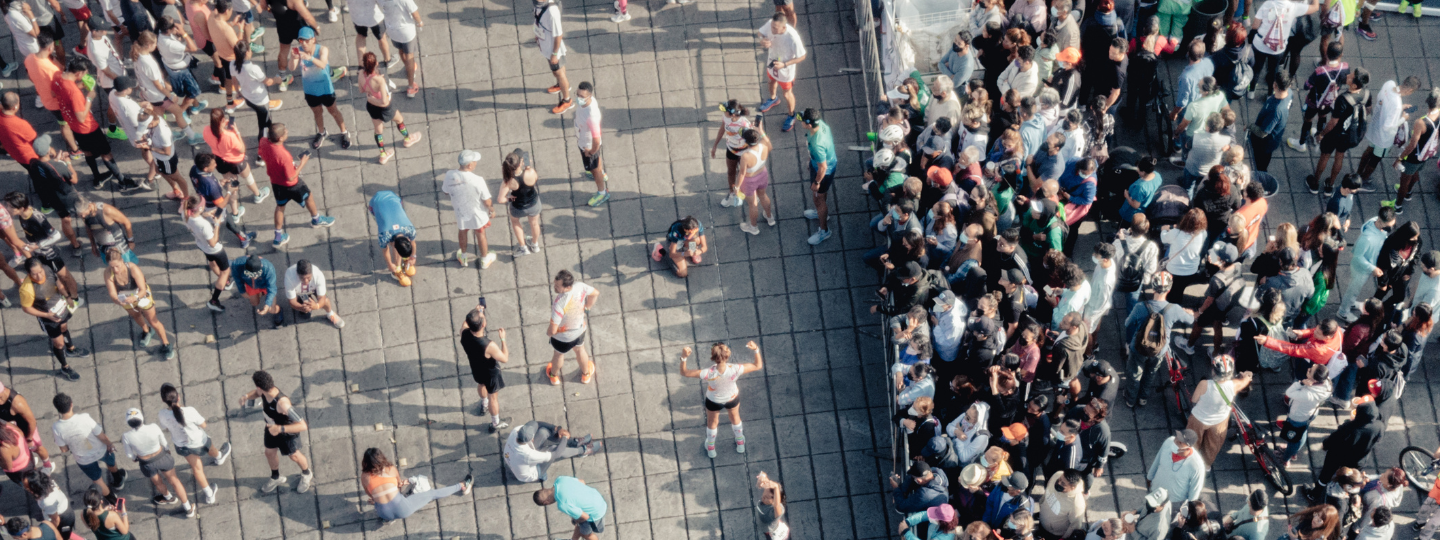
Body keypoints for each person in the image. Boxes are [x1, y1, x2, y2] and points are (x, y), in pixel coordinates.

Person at [256, 123, 336, 247]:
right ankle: (316, 220)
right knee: (309, 196)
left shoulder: (263, 141)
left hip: (275, 182)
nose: (287, 131)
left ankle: (278, 237)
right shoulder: (284, 156)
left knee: (280, 207)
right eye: (285, 131)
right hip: (292, 185)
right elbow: (291, 176)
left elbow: (261, 153)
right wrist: (302, 163)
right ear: (280, 138)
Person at [680, 341, 763, 457]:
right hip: (732, 398)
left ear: (713, 357)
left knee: (712, 423)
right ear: (727, 356)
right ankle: (740, 442)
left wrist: (684, 357)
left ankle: (711, 448)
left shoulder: (707, 373)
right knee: (735, 418)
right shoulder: (736, 369)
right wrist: (756, 350)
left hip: (713, 400)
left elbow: (685, 372)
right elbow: (757, 365)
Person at [53, 57, 125, 187]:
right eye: (85, 73)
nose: (85, 75)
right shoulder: (74, 93)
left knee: (88, 152)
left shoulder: (59, 77)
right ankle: (122, 181)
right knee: (106, 153)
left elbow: (54, 93)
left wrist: (78, 86)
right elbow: (81, 117)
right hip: (87, 127)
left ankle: (97, 178)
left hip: (74, 127)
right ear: (78, 73)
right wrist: (89, 98)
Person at [156, 383, 230, 507]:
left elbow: (166, 428)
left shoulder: (162, 414)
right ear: (178, 397)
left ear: (163, 400)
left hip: (181, 445)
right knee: (211, 449)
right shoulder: (189, 411)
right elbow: (204, 425)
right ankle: (219, 457)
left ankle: (209, 494)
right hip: (198, 441)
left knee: (197, 469)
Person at [239, 370, 313, 493]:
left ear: (259, 386)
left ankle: (306, 473)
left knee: (294, 456)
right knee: (269, 452)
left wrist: (280, 429)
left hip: (287, 433)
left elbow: (303, 425)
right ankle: (276, 477)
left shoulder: (282, 403)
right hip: (271, 428)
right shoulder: (264, 391)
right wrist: (246, 397)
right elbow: (256, 393)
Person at [16, 257, 87, 380]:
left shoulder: (48, 269)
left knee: (64, 327)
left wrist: (67, 296)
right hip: (48, 318)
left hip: (61, 307)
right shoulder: (27, 289)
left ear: (43, 267)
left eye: (40, 272)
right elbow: (26, 308)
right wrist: (47, 315)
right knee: (58, 343)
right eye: (34, 274)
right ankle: (65, 367)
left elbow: (58, 284)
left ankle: (71, 349)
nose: (39, 276)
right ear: (28, 273)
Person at [101, 246, 178, 358]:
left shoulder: (132, 268)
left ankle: (166, 344)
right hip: (126, 299)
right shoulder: (108, 273)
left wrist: (135, 297)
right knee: (136, 316)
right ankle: (146, 331)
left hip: (142, 297)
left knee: (153, 320)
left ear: (122, 260)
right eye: (112, 267)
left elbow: (142, 289)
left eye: (117, 266)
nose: (115, 270)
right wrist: (117, 300)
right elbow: (112, 292)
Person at [361, 447, 472, 523]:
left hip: (383, 513)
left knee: (379, 504)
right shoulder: (390, 469)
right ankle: (462, 485)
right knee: (432, 494)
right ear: (381, 458)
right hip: (403, 509)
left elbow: (369, 493)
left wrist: (375, 499)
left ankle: (389, 519)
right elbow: (399, 485)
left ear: (365, 462)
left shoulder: (364, 476)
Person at [1307, 67, 1371, 194]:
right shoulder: (1367, 94)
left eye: (1350, 76)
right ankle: (1330, 185)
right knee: (1339, 156)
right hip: (1348, 135)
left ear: (1353, 85)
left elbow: (1333, 122)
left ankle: (1315, 183)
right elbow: (1368, 110)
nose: (1347, 75)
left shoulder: (1343, 99)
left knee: (1325, 155)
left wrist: (1321, 134)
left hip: (1335, 133)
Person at [119, 408, 192, 517]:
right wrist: (167, 450)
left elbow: (129, 454)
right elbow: (163, 441)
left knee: (158, 482)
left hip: (147, 463)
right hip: (162, 456)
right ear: (142, 418)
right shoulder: (153, 427)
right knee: (174, 481)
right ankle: (188, 508)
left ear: (128, 423)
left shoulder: (126, 436)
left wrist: (135, 458)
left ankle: (168, 498)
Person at [51, 393, 126, 500]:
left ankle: (112, 500)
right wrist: (110, 444)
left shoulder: (56, 427)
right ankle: (118, 480)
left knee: (98, 480)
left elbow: (64, 449)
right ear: (71, 404)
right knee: (111, 462)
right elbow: (101, 436)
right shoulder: (85, 417)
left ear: (58, 410)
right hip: (100, 449)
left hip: (84, 459)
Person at [289, 26, 350, 150]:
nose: (304, 44)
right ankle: (322, 132)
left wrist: (310, 58)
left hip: (325, 89)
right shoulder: (298, 51)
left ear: (313, 40)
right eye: (301, 41)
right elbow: (291, 68)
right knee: (317, 112)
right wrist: (293, 58)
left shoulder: (322, 49)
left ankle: (344, 132)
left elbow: (322, 64)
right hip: (310, 90)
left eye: (307, 40)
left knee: (333, 111)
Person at [22, 135, 84, 255]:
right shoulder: (58, 167)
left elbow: (47, 169)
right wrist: (67, 163)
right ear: (48, 150)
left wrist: (56, 160)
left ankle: (75, 246)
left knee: (65, 220)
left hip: (53, 197)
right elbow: (74, 179)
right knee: (85, 211)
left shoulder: (33, 163)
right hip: (68, 196)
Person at [1355, 77, 1420, 186]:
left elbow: (1382, 100)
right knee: (1375, 159)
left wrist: (1400, 108)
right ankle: (1363, 179)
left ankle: (1358, 173)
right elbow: (1388, 126)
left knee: (1369, 150)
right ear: (1409, 91)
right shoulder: (1397, 105)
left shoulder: (1389, 84)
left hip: (1374, 127)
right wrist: (1403, 118)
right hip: (1383, 138)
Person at [357, 52, 421, 164]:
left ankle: (382, 155)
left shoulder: (361, 74)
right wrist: (375, 96)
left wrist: (370, 98)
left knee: (378, 131)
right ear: (376, 63)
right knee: (399, 120)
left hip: (371, 108)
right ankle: (407, 139)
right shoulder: (379, 80)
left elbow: (362, 90)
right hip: (385, 108)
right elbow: (384, 102)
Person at [202, 109, 270, 205]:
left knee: (232, 186)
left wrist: (221, 127)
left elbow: (212, 138)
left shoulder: (206, 130)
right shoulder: (230, 136)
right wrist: (237, 133)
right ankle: (257, 195)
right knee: (248, 178)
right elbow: (242, 149)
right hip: (237, 162)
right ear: (222, 121)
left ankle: (235, 213)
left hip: (220, 161)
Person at [442, 149, 496, 268]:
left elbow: (445, 191)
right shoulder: (478, 180)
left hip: (461, 212)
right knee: (480, 233)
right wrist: (491, 210)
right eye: (475, 161)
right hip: (477, 214)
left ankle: (464, 257)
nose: (476, 163)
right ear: (470, 165)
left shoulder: (449, 175)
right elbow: (487, 201)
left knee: (462, 232)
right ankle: (484, 259)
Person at [546, 270, 600, 385]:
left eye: (557, 286)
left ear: (567, 287)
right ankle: (586, 375)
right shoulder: (580, 286)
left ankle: (553, 376)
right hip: (579, 330)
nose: (554, 287)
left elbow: (553, 330)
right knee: (580, 350)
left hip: (562, 337)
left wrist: (549, 333)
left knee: (558, 355)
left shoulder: (559, 303)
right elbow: (595, 293)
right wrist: (587, 308)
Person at [459, 305, 508, 430]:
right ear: (483, 325)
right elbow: (504, 358)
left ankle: (484, 404)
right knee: (493, 397)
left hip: (476, 368)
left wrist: (478, 313)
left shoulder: (464, 333)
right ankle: (495, 423)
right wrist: (503, 339)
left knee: (481, 385)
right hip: (490, 373)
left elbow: (466, 322)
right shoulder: (488, 345)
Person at [502, 420, 598, 483]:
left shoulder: (516, 431)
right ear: (531, 439)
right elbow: (556, 454)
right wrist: (564, 437)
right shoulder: (528, 454)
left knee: (544, 431)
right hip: (529, 474)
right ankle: (582, 450)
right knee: (553, 449)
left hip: (514, 459)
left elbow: (537, 423)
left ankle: (574, 442)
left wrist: (558, 429)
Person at [756, 13, 807, 130]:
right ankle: (773, 99)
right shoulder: (771, 23)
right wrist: (762, 40)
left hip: (785, 70)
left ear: (784, 27)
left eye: (775, 28)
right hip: (772, 61)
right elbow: (760, 33)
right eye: (772, 26)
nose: (772, 29)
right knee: (770, 81)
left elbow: (802, 56)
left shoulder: (793, 37)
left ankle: (791, 115)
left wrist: (784, 64)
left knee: (787, 94)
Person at [1394, 88, 1440, 209]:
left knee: (1404, 181)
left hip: (1414, 156)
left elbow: (1412, 145)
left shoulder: (1421, 123)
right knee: (1415, 172)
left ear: (1426, 101)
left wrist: (1399, 158)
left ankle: (1397, 205)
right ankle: (1408, 193)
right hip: (1426, 154)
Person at [800, 108, 837, 245]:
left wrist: (816, 182)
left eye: (803, 121)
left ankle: (824, 231)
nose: (801, 122)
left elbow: (823, 167)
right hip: (824, 164)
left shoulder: (817, 144)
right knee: (821, 197)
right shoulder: (820, 123)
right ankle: (821, 213)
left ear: (809, 125)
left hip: (822, 173)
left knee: (818, 199)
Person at [499, 148, 543, 256]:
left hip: (518, 207)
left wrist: (510, 198)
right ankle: (535, 244)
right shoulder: (531, 172)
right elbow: (535, 178)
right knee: (534, 223)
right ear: (521, 163)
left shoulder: (508, 181)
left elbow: (500, 199)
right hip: (534, 204)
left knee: (515, 222)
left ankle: (523, 248)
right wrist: (527, 167)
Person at [368, 190, 418, 286]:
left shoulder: (410, 229)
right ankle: (397, 269)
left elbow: (413, 243)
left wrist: (413, 256)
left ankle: (404, 259)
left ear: (407, 239)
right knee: (380, 220)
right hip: (375, 203)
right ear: (393, 245)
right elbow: (385, 250)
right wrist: (390, 264)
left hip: (394, 198)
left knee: (399, 246)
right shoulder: (384, 235)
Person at [533, 476, 607, 540]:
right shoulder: (560, 479)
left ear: (546, 503)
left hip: (595, 513)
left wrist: (576, 520)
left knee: (586, 534)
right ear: (544, 488)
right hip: (597, 497)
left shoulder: (562, 504)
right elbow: (582, 482)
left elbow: (585, 517)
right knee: (577, 522)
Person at [712, 99, 753, 209]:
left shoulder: (744, 123)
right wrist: (715, 145)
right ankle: (732, 195)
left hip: (744, 152)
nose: (723, 112)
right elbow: (722, 129)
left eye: (725, 110)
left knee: (744, 173)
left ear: (733, 113)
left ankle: (747, 193)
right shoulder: (726, 117)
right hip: (731, 149)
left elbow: (751, 139)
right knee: (731, 172)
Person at [1160, 209, 1208, 303]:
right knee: (1180, 289)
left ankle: (1170, 304)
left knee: (1173, 290)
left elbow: (1163, 239)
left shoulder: (1176, 233)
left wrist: (1164, 230)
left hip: (1173, 270)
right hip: (1191, 271)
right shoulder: (1203, 234)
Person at [1146, 429, 1204, 504]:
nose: (1175, 442)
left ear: (1188, 447)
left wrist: (1189, 508)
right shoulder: (1168, 442)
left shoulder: (1197, 466)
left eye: (1180, 442)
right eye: (1177, 438)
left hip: (1174, 502)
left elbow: (1195, 490)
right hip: (1155, 492)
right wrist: (1149, 478)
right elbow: (1156, 461)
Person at [737, 127, 776, 236]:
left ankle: (753, 227)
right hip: (762, 174)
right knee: (763, 195)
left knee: (753, 204)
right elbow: (770, 146)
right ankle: (770, 217)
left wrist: (736, 187)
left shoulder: (746, 156)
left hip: (750, 181)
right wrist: (761, 130)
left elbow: (742, 173)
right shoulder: (764, 145)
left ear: (745, 141)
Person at [283, 259, 343, 328]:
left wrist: (317, 306)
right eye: (302, 278)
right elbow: (292, 301)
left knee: (325, 301)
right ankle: (305, 300)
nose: (306, 281)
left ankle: (330, 314)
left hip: (313, 289)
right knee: (305, 315)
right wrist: (302, 308)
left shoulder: (318, 275)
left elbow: (322, 297)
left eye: (308, 278)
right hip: (299, 293)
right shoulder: (289, 277)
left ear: (312, 273)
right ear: (297, 274)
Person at [229, 254, 283, 327]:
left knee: (271, 309)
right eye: (249, 274)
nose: (254, 277)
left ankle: (278, 311)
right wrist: (242, 290)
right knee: (254, 303)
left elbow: (272, 288)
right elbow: (237, 277)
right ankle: (261, 294)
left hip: (265, 285)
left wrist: (267, 304)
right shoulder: (236, 265)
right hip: (251, 285)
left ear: (261, 267)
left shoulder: (269, 268)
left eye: (257, 274)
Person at [347, 0, 394, 75]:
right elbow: (383, 3)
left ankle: (361, 66)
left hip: (356, 16)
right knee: (381, 38)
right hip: (374, 18)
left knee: (361, 36)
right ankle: (388, 60)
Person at [1039, 470, 1086, 539]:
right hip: (1042, 521)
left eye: (1063, 483)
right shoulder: (1058, 474)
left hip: (1053, 534)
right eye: (1059, 479)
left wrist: (1064, 538)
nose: (1058, 482)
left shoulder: (1077, 504)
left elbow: (1075, 525)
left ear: (1072, 487)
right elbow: (1047, 490)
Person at [754, 471, 788, 539]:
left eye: (767, 497)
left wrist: (776, 487)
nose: (763, 497)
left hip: (768, 530)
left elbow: (776, 505)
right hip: (767, 522)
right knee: (775, 519)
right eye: (764, 493)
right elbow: (768, 485)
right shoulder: (767, 502)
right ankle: (776, 521)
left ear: (774, 500)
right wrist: (763, 476)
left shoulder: (774, 511)